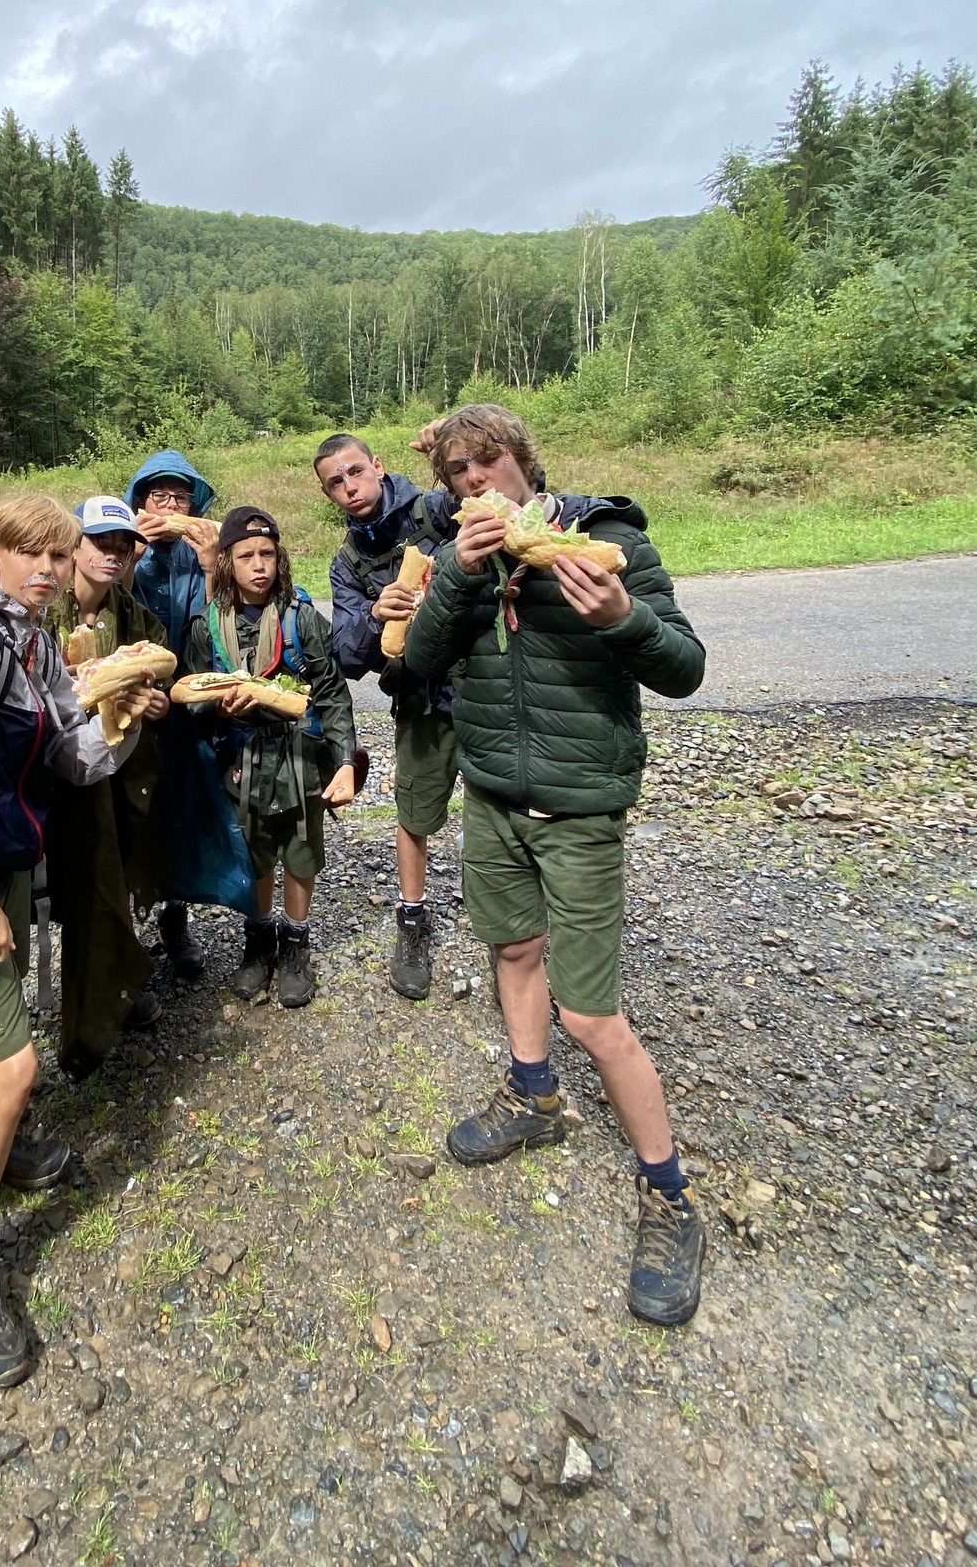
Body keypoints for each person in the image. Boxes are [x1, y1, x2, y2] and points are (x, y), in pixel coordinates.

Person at [401, 403, 709, 1325]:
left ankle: (669, 1195)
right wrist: (457, 576)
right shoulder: (466, 554)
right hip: (493, 794)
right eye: (456, 472)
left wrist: (621, 618)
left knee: (592, 1013)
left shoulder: (608, 538)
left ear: (521, 459)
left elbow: (685, 666)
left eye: (486, 461)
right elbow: (418, 660)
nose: (473, 481)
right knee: (512, 954)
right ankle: (532, 1096)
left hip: (580, 810)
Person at [0, 493, 160, 1385]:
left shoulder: (31, 637)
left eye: (60, 555)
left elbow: (71, 753)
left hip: (2, 863)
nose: (48, 569)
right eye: (32, 554)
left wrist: (123, 717)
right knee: (16, 1066)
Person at [182, 506, 358, 1007]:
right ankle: (258, 941)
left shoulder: (303, 618)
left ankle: (296, 942)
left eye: (267, 554)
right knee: (255, 852)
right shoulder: (206, 626)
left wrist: (344, 760)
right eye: (246, 556)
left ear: (279, 559)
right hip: (241, 760)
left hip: (301, 755)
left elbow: (333, 694)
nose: (259, 564)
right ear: (226, 563)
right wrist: (217, 709)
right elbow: (191, 698)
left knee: (300, 853)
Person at [316, 432, 461, 1000]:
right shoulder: (348, 563)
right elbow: (349, 658)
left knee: (511, 807)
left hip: (493, 686)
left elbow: (511, 497)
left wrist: (452, 444)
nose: (349, 487)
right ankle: (412, 919)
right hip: (421, 699)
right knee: (414, 810)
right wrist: (377, 617)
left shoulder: (435, 508)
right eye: (335, 482)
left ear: (378, 466)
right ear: (328, 494)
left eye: (355, 472)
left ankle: (518, 938)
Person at [47, 494, 174, 1066]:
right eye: (102, 542)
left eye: (124, 545)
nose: (115, 554)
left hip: (123, 772)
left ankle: (118, 982)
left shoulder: (137, 618)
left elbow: (164, 687)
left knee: (122, 876)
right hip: (59, 777)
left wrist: (155, 705)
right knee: (87, 890)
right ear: (74, 547)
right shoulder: (46, 611)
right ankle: (93, 1013)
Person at [123, 450, 223, 977]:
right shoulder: (121, 550)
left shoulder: (199, 554)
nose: (168, 505)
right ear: (137, 501)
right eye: (157, 495)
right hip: (131, 705)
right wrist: (129, 553)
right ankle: (128, 930)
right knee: (136, 817)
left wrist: (211, 566)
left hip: (190, 703)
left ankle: (175, 917)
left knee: (184, 810)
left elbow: (221, 625)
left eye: (179, 496)